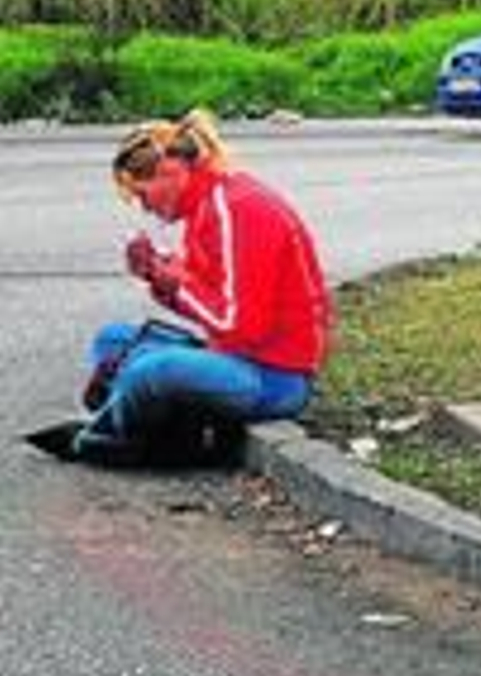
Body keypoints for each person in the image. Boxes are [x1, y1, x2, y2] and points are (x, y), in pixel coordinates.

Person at [72, 110, 332, 463]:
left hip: (273, 376)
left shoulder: (237, 209)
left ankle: (109, 440)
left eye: (142, 193)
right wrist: (157, 276)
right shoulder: (206, 208)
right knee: (113, 340)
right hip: (231, 354)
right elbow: (206, 305)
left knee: (150, 370)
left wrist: (175, 282)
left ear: (169, 172)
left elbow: (237, 324)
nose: (143, 207)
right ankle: (158, 423)